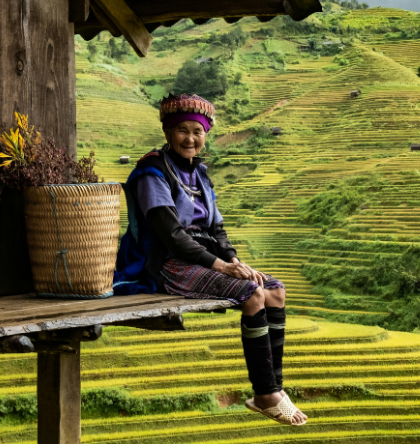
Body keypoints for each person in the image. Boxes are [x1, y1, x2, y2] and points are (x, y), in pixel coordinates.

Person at [113, 93, 307, 425]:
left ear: (206, 135)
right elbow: (170, 234)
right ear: (168, 131)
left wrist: (233, 259)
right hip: (167, 261)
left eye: (198, 132)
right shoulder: (152, 172)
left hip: (205, 257)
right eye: (183, 130)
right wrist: (222, 266)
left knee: (275, 289)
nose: (190, 138)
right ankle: (265, 393)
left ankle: (273, 389)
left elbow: (217, 228)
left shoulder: (200, 174)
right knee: (252, 293)